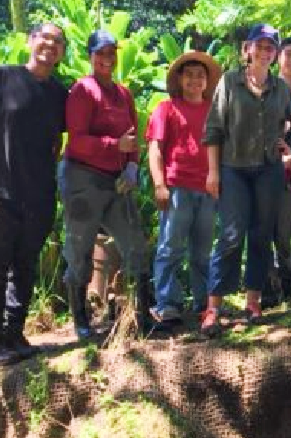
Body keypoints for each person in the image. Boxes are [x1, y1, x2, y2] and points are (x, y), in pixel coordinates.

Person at [201, 24, 291, 334]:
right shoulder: (229, 82)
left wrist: (288, 143)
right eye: (261, 46)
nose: (266, 52)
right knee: (230, 234)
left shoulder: (280, 88)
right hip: (233, 167)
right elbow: (213, 129)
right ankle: (213, 307)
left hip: (269, 169)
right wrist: (213, 171)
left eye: (271, 48)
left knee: (261, 233)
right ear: (248, 49)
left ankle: (252, 302)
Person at [60, 29, 148, 339]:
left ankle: (140, 314)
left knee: (135, 242)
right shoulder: (82, 90)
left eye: (111, 53)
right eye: (101, 53)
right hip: (82, 178)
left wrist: (134, 165)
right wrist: (115, 146)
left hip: (117, 180)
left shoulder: (123, 93)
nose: (107, 59)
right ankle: (81, 320)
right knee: (80, 247)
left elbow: (133, 136)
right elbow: (78, 140)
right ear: (90, 56)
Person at [0, 24, 68, 365]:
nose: (51, 45)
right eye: (46, 38)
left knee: (24, 267)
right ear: (31, 41)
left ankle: (13, 334)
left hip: (39, 195)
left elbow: (62, 140)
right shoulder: (6, 77)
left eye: (58, 42)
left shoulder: (60, 94)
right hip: (3, 191)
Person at [146, 51, 222, 324]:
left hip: (207, 188)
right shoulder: (166, 109)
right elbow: (154, 149)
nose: (194, 80)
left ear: (206, 81)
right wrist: (159, 185)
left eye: (200, 75)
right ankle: (167, 304)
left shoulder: (214, 110)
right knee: (171, 247)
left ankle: (204, 304)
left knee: (202, 252)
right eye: (189, 74)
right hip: (177, 186)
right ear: (179, 79)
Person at [262, 36, 291, 308]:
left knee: (285, 228)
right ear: (278, 56)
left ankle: (290, 287)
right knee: (262, 227)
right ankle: (267, 287)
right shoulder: (265, 86)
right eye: (288, 54)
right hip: (263, 165)